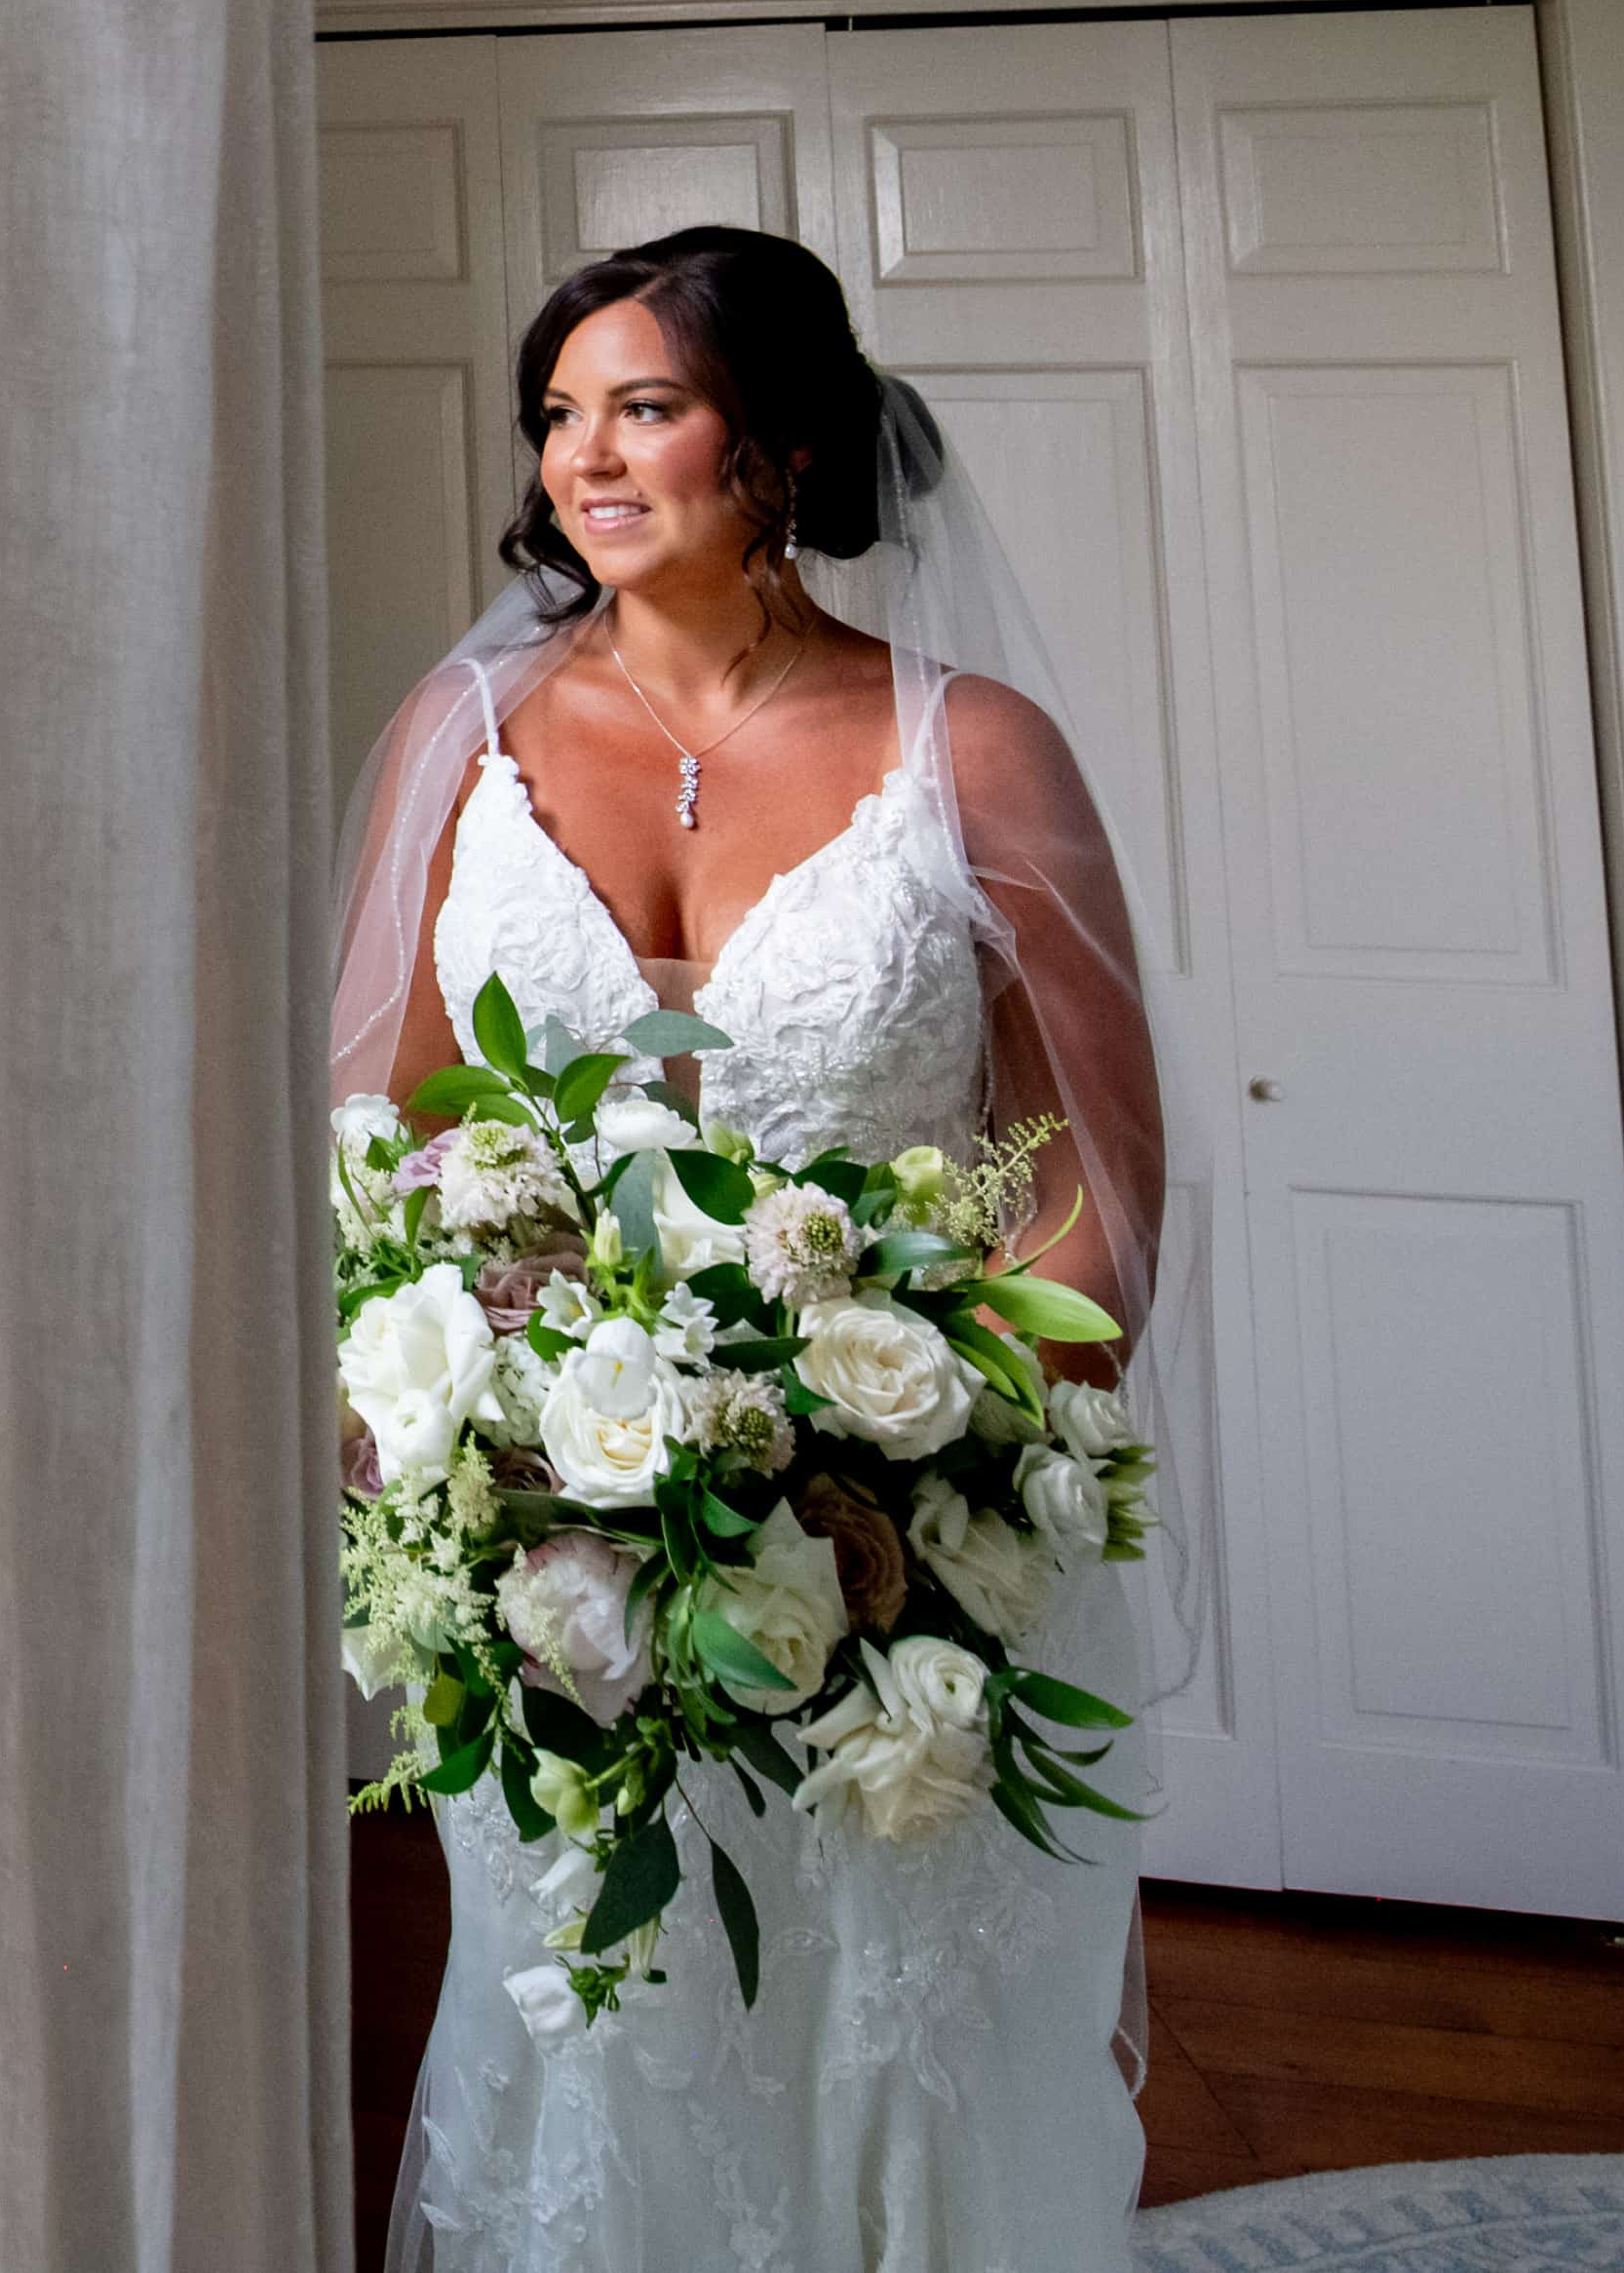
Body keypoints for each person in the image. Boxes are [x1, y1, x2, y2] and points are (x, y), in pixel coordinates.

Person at [333, 226, 1182, 2273]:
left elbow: (1089, 1166)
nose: (583, 458)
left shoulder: (969, 750)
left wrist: (911, 1451)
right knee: (600, 2038)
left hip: (904, 1558)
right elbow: (395, 1139)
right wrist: (460, 1459)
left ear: (780, 444)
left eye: (644, 406)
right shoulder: (462, 742)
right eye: (557, 413)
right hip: (549, 1552)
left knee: (894, 2038)